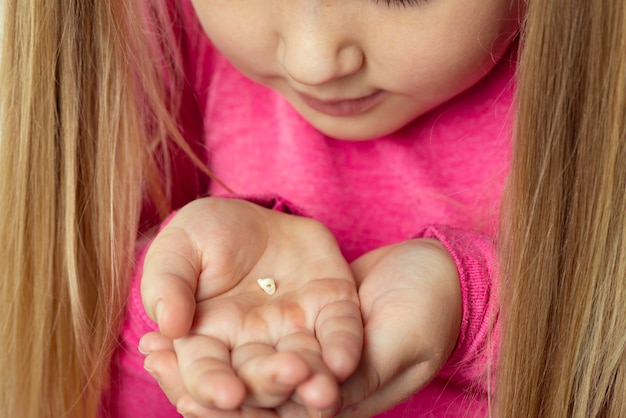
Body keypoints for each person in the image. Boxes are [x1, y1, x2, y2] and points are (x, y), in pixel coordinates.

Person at [0, 2, 624, 418]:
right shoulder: (157, 32)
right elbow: (61, 371)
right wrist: (168, 305)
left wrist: (471, 309)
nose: (313, 59)